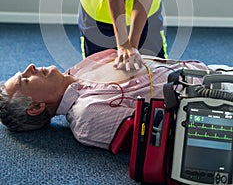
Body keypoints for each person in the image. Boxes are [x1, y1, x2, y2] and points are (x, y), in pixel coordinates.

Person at [0, 49, 208, 150]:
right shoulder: (87, 115)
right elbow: (167, 136)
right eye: (25, 80)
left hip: (210, 70)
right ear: (36, 107)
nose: (31, 67)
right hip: (215, 99)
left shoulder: (79, 68)